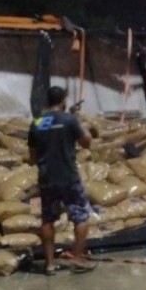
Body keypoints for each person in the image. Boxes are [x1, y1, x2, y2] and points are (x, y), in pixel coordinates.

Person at [27, 85, 96, 275]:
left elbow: (32, 158)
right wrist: (77, 119)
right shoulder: (69, 120)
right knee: (80, 216)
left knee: (47, 219)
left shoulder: (38, 122)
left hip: (47, 178)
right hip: (69, 177)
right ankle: (77, 258)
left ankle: (49, 265)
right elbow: (87, 142)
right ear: (63, 101)